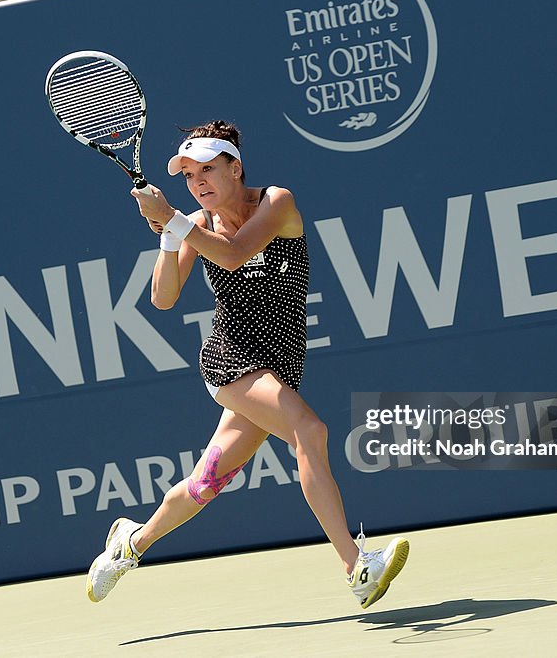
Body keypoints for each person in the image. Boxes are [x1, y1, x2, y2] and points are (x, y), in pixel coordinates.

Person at [85, 120, 409, 609]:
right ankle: (356, 566)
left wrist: (174, 219)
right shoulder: (194, 226)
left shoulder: (276, 202)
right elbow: (162, 298)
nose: (199, 183)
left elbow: (235, 256)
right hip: (231, 359)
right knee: (310, 430)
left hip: (279, 364)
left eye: (208, 170)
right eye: (189, 176)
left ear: (235, 168)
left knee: (205, 482)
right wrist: (170, 237)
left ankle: (129, 544)